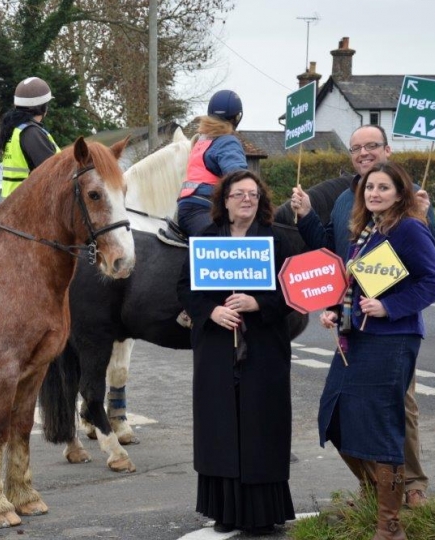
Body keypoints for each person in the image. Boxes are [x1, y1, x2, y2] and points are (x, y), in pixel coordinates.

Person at [290, 124, 435, 508]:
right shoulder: (349, 201)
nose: (363, 153)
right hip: (354, 324)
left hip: (391, 331)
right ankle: (376, 485)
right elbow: (336, 252)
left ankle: (409, 488)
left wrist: (424, 218)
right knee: (347, 410)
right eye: (356, 147)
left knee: (395, 408)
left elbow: (432, 259)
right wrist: (308, 214)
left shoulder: (412, 205)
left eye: (371, 146)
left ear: (387, 150)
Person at [317, 162, 435, 539]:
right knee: (335, 413)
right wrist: (334, 308)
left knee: (383, 425)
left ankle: (390, 525)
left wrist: (390, 307)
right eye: (370, 187)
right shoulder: (367, 230)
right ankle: (377, 490)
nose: (374, 193)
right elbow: (358, 285)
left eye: (383, 188)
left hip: (392, 340)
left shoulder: (408, 228)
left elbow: (434, 281)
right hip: (356, 337)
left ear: (400, 193)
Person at [177, 170, 296, 535]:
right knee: (220, 425)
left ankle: (262, 513)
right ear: (224, 200)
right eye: (239, 193)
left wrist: (257, 303)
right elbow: (185, 287)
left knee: (261, 423)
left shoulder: (277, 240)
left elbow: (293, 291)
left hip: (263, 347)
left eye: (254, 194)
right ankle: (224, 509)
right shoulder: (206, 238)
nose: (247, 199)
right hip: (216, 346)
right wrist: (211, 312)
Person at [176, 89, 248, 237]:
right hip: (204, 208)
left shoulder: (201, 140)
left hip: (186, 207)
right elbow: (239, 180)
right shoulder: (227, 141)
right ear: (237, 117)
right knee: (223, 252)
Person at [0, 76, 60, 198]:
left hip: (13, 202)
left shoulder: (14, 130)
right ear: (43, 107)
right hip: (29, 204)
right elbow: (56, 175)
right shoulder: (32, 133)